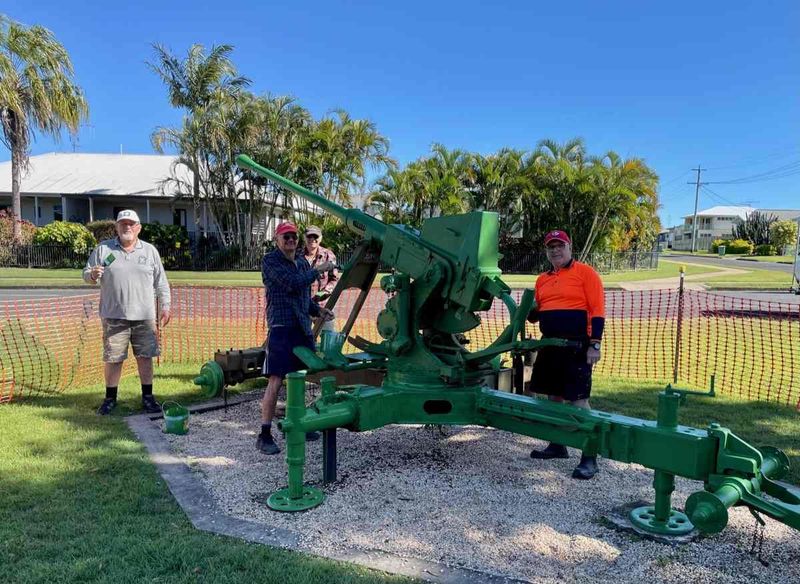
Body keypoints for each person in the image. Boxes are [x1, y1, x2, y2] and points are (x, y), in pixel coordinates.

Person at [527, 229, 605, 479]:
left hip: (577, 346)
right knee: (553, 397)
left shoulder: (586, 273)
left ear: (570, 247)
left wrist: (595, 344)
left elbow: (597, 310)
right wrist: (531, 311)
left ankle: (589, 457)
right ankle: (557, 445)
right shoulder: (542, 279)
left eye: (560, 245)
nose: (555, 250)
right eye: (551, 247)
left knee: (579, 400)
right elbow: (540, 308)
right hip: (550, 345)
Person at [257, 221, 335, 455]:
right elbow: (291, 284)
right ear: (277, 240)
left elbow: (302, 296)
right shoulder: (270, 261)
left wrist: (317, 311)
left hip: (302, 328)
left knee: (300, 378)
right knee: (276, 380)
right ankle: (264, 433)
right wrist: (319, 270)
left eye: (293, 237)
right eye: (286, 237)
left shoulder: (301, 262)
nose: (290, 240)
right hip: (282, 328)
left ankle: (297, 424)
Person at [83, 209, 171, 415]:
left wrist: (165, 306)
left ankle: (148, 398)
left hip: (144, 316)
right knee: (113, 358)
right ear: (116, 227)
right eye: (123, 223)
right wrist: (92, 274)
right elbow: (86, 274)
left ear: (139, 228)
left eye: (131, 224)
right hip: (114, 315)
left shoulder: (150, 251)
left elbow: (162, 283)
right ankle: (110, 398)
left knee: (145, 356)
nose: (127, 227)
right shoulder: (104, 250)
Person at [303, 225, 338, 332]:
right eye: (309, 236)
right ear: (304, 238)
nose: (313, 239)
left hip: (323, 305)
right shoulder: (297, 255)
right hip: (303, 306)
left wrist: (323, 293)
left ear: (321, 238)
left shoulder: (328, 255)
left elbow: (334, 279)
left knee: (328, 337)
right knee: (302, 340)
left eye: (315, 236)